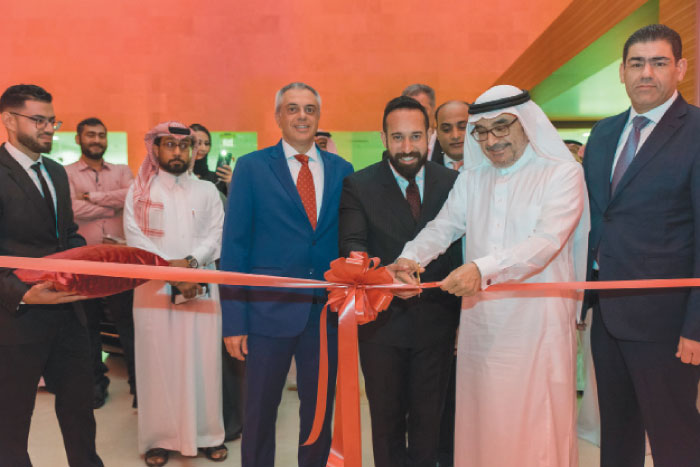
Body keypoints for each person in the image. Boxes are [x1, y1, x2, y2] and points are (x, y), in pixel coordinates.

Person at [394, 85, 589, 467]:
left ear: (527, 124)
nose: (491, 141)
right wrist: (408, 258)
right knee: (484, 422)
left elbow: (546, 242)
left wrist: (482, 269)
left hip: (538, 324)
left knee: (535, 425)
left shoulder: (562, 173)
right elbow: (444, 226)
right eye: (481, 132)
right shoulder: (473, 178)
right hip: (482, 322)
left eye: (502, 127)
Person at [581, 24, 700, 467]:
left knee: (676, 439)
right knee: (617, 437)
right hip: (607, 315)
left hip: (668, 324)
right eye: (636, 63)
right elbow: (597, 219)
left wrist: (697, 325)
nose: (645, 73)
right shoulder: (604, 134)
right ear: (622, 72)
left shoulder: (697, 132)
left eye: (658, 62)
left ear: (680, 68)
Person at [220, 82, 353, 467]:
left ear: (319, 117)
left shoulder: (343, 170)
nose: (301, 116)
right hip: (265, 313)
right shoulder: (251, 168)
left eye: (309, 109)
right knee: (259, 413)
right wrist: (233, 321)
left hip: (323, 316)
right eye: (292, 108)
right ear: (278, 116)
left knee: (317, 415)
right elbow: (236, 247)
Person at [339, 95, 461, 466]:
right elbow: (352, 247)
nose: (407, 148)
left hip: (437, 326)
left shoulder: (454, 182)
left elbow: (461, 251)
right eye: (397, 138)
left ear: (430, 136)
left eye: (415, 137)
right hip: (382, 328)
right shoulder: (358, 185)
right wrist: (385, 273)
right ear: (383, 137)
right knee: (387, 424)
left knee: (430, 424)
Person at [0, 84, 103, 466]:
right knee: (11, 424)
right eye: (38, 120)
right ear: (9, 120)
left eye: (52, 120)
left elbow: (66, 235)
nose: (49, 128)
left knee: (80, 413)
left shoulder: (57, 172)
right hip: (16, 319)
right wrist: (23, 295)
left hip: (68, 315)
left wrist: (92, 266)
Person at [123, 121, 226, 466]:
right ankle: (158, 438)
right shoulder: (139, 193)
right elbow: (136, 239)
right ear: (155, 149)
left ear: (194, 150)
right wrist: (172, 272)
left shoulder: (208, 191)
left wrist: (191, 264)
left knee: (204, 361)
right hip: (152, 291)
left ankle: (208, 435)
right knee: (157, 364)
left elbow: (216, 235)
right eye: (170, 145)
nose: (178, 152)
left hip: (201, 287)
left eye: (185, 146)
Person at [65, 117, 136, 409]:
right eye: (90, 135)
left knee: (129, 327)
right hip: (84, 262)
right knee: (88, 328)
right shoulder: (66, 173)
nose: (96, 140)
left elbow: (132, 198)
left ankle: (139, 386)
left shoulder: (122, 170)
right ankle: (96, 385)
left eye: (101, 135)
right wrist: (112, 202)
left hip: (121, 262)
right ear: (79, 139)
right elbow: (71, 210)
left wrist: (93, 198)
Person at [189, 122, 244, 442]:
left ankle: (226, 417)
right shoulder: (169, 180)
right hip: (181, 268)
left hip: (218, 264)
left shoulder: (216, 179)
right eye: (194, 141)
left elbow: (235, 220)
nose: (200, 147)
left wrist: (231, 186)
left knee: (219, 345)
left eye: (205, 142)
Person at [432, 99, 469, 467]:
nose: (456, 135)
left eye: (463, 125)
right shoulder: (423, 174)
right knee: (439, 398)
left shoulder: (496, 168)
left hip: (487, 300)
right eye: (447, 128)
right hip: (435, 302)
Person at [190, 123, 232, 196]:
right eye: (198, 143)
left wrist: (231, 184)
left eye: (207, 144)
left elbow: (232, 204)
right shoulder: (180, 176)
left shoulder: (218, 179)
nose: (203, 148)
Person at [402, 83, 442, 160]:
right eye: (410, 109)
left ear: (434, 110)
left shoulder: (448, 146)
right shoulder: (395, 150)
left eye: (422, 109)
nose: (415, 115)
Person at [434, 100, 469, 170]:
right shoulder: (426, 170)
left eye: (462, 127)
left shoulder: (492, 167)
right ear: (437, 133)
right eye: (446, 129)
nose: (455, 136)